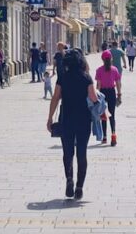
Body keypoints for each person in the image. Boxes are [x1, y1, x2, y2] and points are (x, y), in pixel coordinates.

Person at [47, 49, 99, 200]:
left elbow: (55, 98)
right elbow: (94, 98)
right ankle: (79, 187)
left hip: (66, 119)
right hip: (83, 119)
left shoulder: (63, 77)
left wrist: (50, 118)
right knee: (82, 153)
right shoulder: (86, 77)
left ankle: (69, 179)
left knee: (67, 152)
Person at [95, 50, 122, 146]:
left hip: (102, 93)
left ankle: (105, 137)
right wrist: (119, 94)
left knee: (103, 115)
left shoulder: (99, 70)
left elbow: (98, 85)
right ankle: (113, 135)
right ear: (111, 59)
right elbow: (118, 84)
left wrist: (96, 96)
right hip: (111, 93)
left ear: (102, 59)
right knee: (112, 115)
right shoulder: (114, 69)